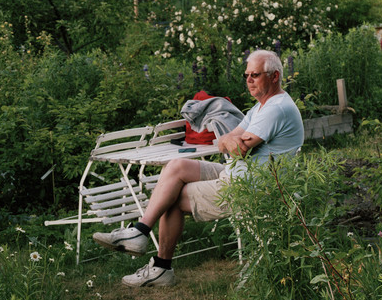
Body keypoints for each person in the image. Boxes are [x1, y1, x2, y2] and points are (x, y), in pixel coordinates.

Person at [93, 50, 305, 287]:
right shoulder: (260, 108)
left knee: (171, 197)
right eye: (246, 75)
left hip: (250, 187)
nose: (248, 80)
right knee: (177, 166)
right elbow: (224, 142)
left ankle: (161, 268)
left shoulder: (276, 109)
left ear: (274, 76)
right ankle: (139, 232)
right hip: (236, 173)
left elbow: (237, 149)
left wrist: (229, 141)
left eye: (255, 75)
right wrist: (229, 140)